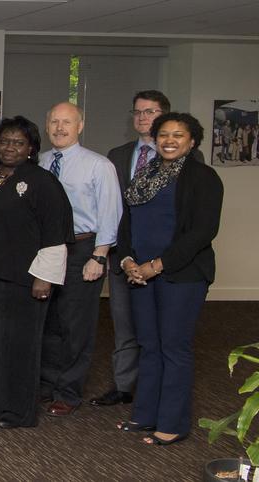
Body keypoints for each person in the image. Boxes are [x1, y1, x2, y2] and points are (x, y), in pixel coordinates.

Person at [115, 112, 222, 446]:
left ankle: (173, 423)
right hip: (140, 273)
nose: (170, 141)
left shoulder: (203, 177)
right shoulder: (145, 174)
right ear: (155, 139)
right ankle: (146, 415)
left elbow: (203, 232)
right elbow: (128, 221)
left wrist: (157, 265)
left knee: (174, 347)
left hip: (182, 275)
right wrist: (129, 259)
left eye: (178, 135)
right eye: (164, 134)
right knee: (149, 346)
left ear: (192, 141)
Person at [93, 90, 203, 407]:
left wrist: (159, 261)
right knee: (125, 324)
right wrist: (122, 254)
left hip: (169, 262)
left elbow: (192, 220)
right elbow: (118, 208)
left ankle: (156, 393)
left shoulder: (190, 161)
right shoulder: (118, 154)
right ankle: (125, 386)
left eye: (150, 111)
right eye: (138, 112)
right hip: (126, 253)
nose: (143, 117)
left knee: (166, 335)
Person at [0, 117, 72, 429]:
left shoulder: (42, 182)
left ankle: (17, 412)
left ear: (31, 149)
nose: (10, 147)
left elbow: (56, 232)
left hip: (24, 278)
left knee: (20, 346)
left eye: (18, 143)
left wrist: (45, 277)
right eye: (4, 141)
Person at [38, 102, 122, 418]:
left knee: (76, 325)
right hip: (45, 252)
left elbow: (110, 214)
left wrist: (99, 256)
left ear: (80, 126)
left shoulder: (98, 166)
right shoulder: (40, 163)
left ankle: (68, 391)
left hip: (82, 250)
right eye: (55, 122)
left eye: (67, 122)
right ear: (47, 125)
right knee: (46, 321)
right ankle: (46, 383)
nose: (60, 128)